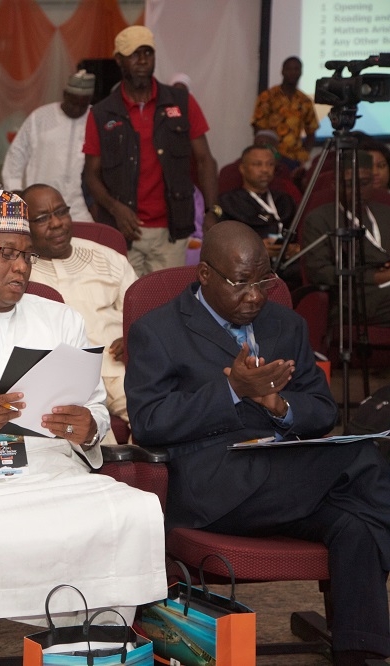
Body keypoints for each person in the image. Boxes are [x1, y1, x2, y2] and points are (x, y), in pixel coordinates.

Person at [0, 186, 165, 665]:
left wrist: (87, 426)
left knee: (134, 514)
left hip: (52, 470)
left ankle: (95, 648)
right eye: (8, 254)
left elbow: (97, 408)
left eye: (27, 256)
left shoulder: (60, 319)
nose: (21, 266)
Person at [126, 220, 390, 666]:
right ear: (205, 274)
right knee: (365, 457)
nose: (255, 296)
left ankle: (360, 652)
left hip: (290, 477)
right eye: (241, 283)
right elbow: (149, 422)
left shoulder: (285, 323)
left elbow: (323, 411)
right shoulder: (159, 330)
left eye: (263, 281)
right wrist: (234, 392)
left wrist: (278, 405)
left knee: (356, 522)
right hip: (215, 485)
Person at [83, 26, 219, 277]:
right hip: (123, 231)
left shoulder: (181, 102)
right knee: (126, 306)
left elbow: (205, 161)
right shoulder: (102, 113)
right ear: (119, 60)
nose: (143, 60)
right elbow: (91, 174)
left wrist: (212, 211)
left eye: (148, 52)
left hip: (171, 231)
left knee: (165, 306)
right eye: (134, 54)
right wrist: (115, 209)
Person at [22, 183, 135, 436]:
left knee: (156, 421)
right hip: (60, 380)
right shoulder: (19, 269)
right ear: (24, 227)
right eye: (42, 218)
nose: (56, 223)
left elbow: (144, 317)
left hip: (116, 366)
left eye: (61, 212)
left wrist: (133, 338)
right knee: (91, 444)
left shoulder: (107, 258)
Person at [302, 152, 390, 324]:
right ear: (336, 185)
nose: (358, 190)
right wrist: (375, 277)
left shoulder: (385, 212)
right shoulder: (320, 219)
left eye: (364, 183)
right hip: (352, 297)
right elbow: (319, 272)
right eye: (350, 184)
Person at [2, 70, 96, 221]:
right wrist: (15, 189)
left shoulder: (95, 118)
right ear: (65, 94)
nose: (77, 109)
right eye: (73, 102)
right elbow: (17, 153)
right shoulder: (40, 117)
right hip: (41, 205)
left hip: (82, 208)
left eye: (82, 105)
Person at [220, 145, 297, 244]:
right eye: (257, 164)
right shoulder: (229, 202)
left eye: (270, 164)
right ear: (243, 168)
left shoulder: (285, 200)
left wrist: (294, 248)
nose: (265, 169)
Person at [251, 56, 319, 169]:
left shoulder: (305, 101)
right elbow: (259, 130)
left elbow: (311, 132)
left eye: (296, 69)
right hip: (270, 159)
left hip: (295, 161)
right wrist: (271, 154)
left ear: (301, 72)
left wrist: (303, 155)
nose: (293, 72)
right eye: (289, 69)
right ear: (282, 71)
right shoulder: (267, 97)